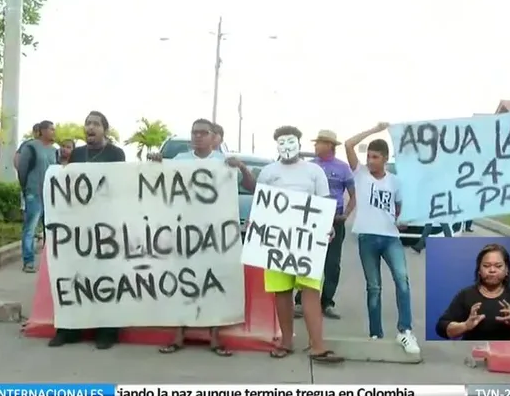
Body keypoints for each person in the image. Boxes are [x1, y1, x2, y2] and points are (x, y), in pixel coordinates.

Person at [151, 119, 255, 357]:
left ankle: (215, 337)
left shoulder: (224, 163)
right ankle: (178, 334)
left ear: (213, 137)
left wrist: (243, 168)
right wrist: (156, 164)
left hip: (215, 236)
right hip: (183, 233)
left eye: (203, 133)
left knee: (214, 284)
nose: (198, 136)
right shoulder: (178, 162)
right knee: (181, 283)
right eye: (194, 133)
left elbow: (251, 186)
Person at [255, 125, 343, 363]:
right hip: (277, 241)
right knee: (282, 292)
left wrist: (329, 226)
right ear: (276, 144)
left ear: (299, 143)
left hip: (307, 242)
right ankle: (286, 341)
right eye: (281, 142)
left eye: (290, 141)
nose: (286, 146)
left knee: (310, 291)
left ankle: (317, 345)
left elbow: (325, 203)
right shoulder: (268, 172)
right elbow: (262, 204)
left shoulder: (314, 171)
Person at [48, 111, 126, 350]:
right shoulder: (78, 154)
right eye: (87, 124)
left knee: (105, 276)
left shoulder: (116, 153)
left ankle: (107, 331)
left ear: (105, 129)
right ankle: (69, 329)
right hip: (78, 226)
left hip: (105, 225)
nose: (90, 128)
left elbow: (121, 184)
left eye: (95, 124)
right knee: (76, 275)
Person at [345, 123, 420, 356]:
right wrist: (374, 129)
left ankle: (405, 331)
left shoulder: (395, 182)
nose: (370, 160)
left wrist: (403, 219)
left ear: (385, 159)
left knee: (402, 280)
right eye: (368, 156)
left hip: (390, 237)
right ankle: (375, 333)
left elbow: (399, 208)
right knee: (374, 287)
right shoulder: (361, 175)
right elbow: (348, 144)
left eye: (375, 157)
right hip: (367, 237)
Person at [294, 129, 355, 320]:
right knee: (308, 260)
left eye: (319, 142)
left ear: (329, 145)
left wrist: (345, 214)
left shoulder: (343, 168)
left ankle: (327, 302)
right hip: (311, 218)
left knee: (332, 263)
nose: (315, 146)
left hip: (334, 219)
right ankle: (300, 301)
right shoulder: (309, 167)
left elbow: (354, 195)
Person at [435, 243, 510, 341]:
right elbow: (441, 327)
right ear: (479, 270)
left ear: (507, 270)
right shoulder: (466, 295)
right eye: (486, 266)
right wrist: (464, 326)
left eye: (498, 266)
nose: (492, 270)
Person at [17, 120, 58, 273]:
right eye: (51, 129)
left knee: (50, 229)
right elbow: (22, 169)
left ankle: (49, 262)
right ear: (42, 131)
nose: (54, 132)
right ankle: (28, 261)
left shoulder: (55, 151)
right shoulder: (31, 147)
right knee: (30, 228)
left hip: (50, 195)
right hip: (34, 193)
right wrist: (26, 188)